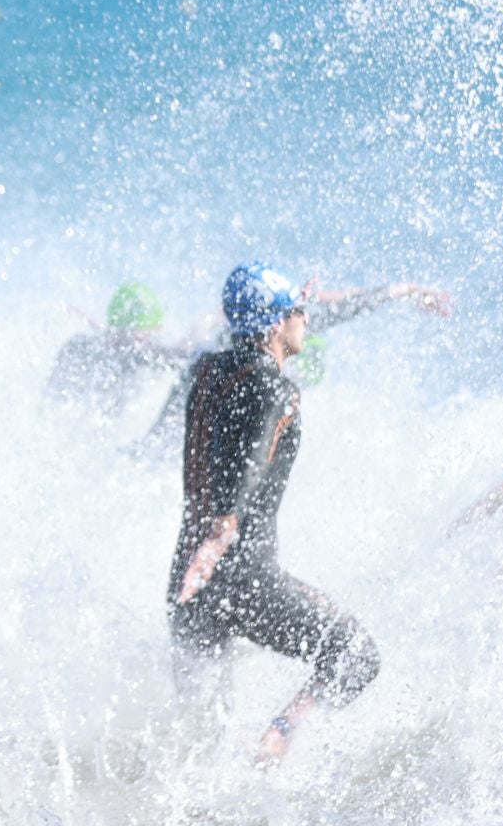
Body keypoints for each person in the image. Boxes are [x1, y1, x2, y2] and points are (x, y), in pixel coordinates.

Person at [168, 262, 451, 763]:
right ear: (277, 324)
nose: (307, 318)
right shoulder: (277, 390)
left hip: (186, 582)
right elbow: (254, 458)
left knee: (197, 751)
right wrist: (222, 532)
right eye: (298, 310)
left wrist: (400, 290)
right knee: (356, 656)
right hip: (241, 576)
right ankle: (278, 736)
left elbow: (313, 314)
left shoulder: (205, 371)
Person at [46, 283, 195, 417]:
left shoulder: (87, 345)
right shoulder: (133, 353)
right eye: (145, 335)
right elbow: (173, 354)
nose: (147, 341)